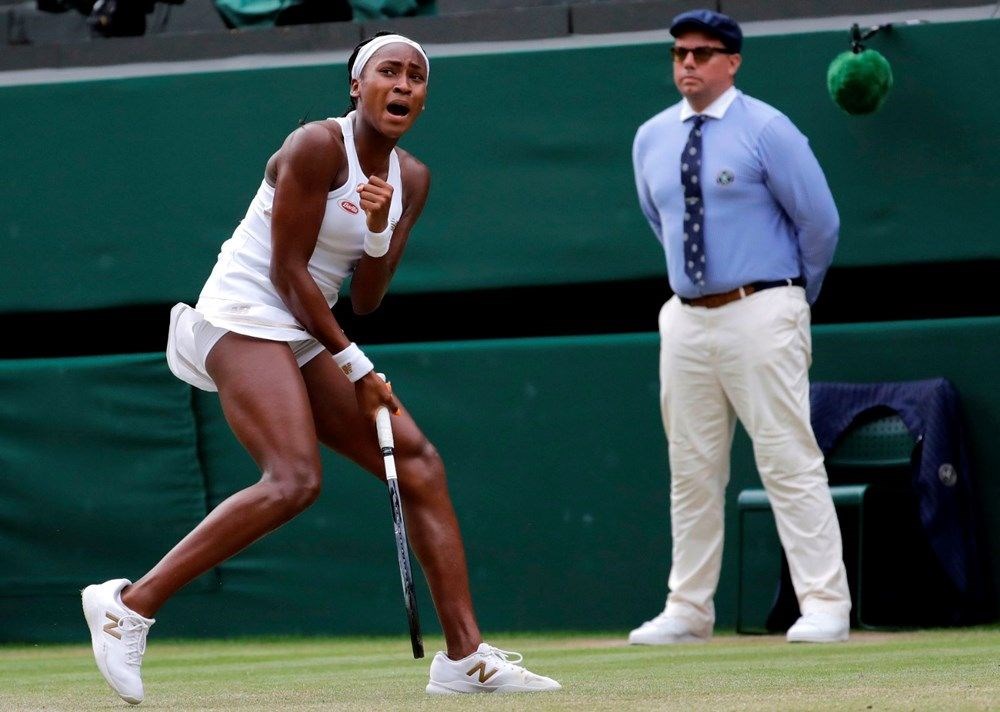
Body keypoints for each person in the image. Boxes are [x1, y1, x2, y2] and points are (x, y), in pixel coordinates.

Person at [81, 31, 560, 704]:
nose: (403, 85)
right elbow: (287, 272)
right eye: (388, 72)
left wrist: (379, 230)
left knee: (418, 463)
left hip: (308, 329)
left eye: (416, 77)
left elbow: (365, 296)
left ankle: (464, 659)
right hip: (245, 311)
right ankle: (127, 605)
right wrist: (358, 368)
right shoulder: (315, 145)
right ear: (356, 87)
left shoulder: (412, 178)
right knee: (293, 479)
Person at [628, 9, 851, 646]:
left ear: (732, 61)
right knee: (692, 467)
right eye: (679, 54)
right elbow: (659, 220)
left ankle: (825, 605)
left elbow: (820, 223)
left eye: (702, 53)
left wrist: (787, 297)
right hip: (687, 318)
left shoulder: (768, 128)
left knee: (788, 457)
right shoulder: (650, 138)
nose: (688, 64)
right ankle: (689, 610)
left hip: (764, 306)